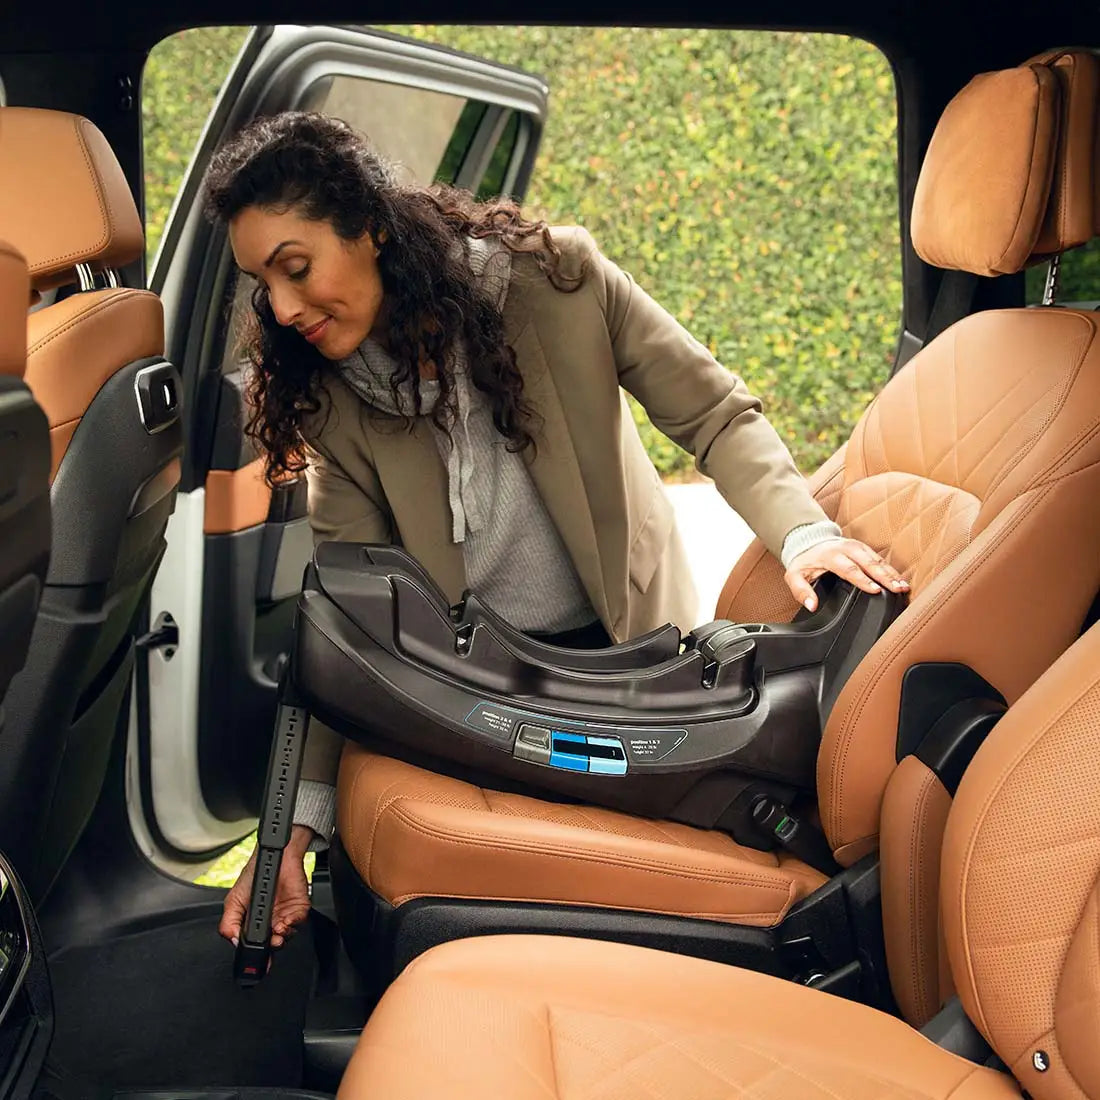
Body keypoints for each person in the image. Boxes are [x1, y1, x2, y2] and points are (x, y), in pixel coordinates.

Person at [202, 111, 908, 951]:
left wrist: (803, 535)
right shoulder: (331, 403)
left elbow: (714, 414)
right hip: (482, 694)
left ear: (371, 227)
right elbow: (352, 623)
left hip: (625, 663)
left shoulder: (559, 281)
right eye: (263, 284)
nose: (282, 309)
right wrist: (292, 835)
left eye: (295, 268)